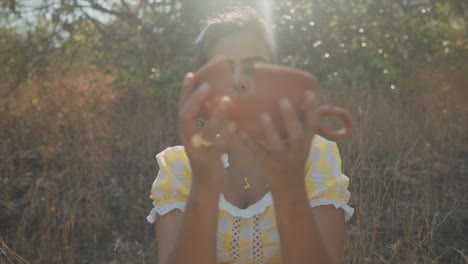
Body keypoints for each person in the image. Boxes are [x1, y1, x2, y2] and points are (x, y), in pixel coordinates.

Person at [147, 7, 353, 264]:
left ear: (278, 80)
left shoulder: (314, 156)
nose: (238, 81)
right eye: (224, 69)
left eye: (253, 68)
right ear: (202, 87)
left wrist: (289, 185)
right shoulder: (180, 166)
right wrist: (204, 184)